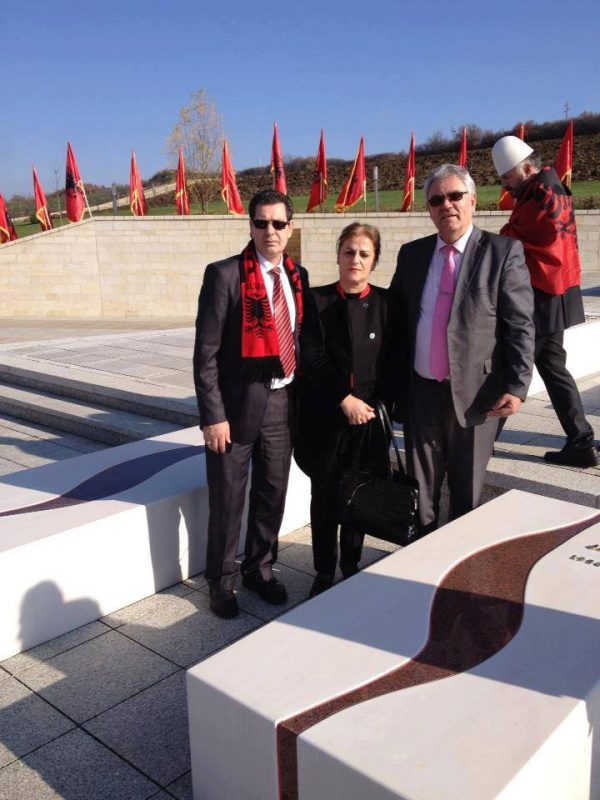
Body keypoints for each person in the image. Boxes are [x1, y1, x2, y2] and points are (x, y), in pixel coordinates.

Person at [389, 164, 535, 535]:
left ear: (472, 200)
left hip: (477, 396)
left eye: (455, 196)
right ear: (429, 209)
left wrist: (517, 386)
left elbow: (520, 325)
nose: (447, 205)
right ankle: (421, 557)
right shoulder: (412, 254)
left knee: (466, 495)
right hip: (422, 395)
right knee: (420, 494)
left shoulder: (502, 252)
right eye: (436, 199)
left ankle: (457, 562)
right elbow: (395, 320)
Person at [193, 189, 309, 618]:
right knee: (228, 499)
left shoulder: (297, 275)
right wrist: (214, 416)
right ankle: (221, 582)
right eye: (261, 223)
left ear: (290, 227)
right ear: (251, 226)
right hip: (235, 408)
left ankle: (259, 568)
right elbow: (205, 354)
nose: (270, 231)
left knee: (272, 493)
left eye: (278, 223)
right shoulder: (224, 275)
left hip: (282, 402)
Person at [492, 135, 599, 467]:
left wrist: (499, 238)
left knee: (513, 363)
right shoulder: (554, 188)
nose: (506, 186)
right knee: (551, 368)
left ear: (526, 169)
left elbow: (518, 238)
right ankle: (581, 441)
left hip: (543, 295)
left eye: (508, 177)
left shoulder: (540, 195)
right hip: (559, 290)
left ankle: (482, 439)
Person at [296, 223, 390, 597]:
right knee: (324, 497)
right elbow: (312, 358)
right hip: (325, 417)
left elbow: (395, 360)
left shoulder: (387, 304)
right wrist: (344, 399)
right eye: (349, 252)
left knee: (357, 495)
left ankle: (351, 564)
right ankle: (323, 570)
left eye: (364, 254)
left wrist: (376, 405)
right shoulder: (315, 300)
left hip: (367, 420)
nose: (356, 260)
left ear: (374, 261)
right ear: (338, 255)